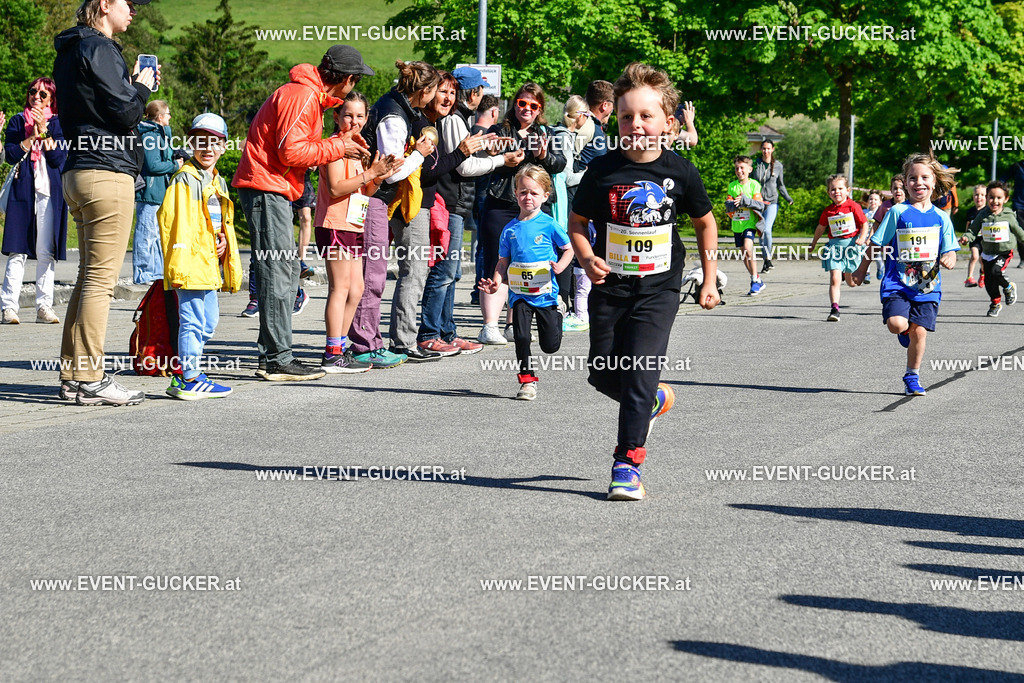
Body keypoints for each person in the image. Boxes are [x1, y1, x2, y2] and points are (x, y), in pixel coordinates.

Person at [569, 62, 720, 501]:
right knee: (602, 373)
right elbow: (577, 222)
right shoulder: (602, 171)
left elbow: (705, 224)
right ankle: (650, 401)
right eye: (626, 116)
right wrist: (586, 256)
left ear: (668, 123)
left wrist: (708, 279)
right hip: (611, 286)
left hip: (659, 288)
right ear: (615, 120)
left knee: (639, 372)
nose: (636, 124)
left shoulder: (682, 172)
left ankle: (627, 464)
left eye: (646, 116)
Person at [232, 45, 372, 381]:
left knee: (282, 270)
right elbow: (290, 151)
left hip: (272, 188)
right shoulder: (303, 96)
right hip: (266, 187)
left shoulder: (309, 96)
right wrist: (339, 145)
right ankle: (277, 359)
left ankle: (276, 356)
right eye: (355, 81)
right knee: (279, 272)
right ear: (348, 79)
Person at [53, 0, 159, 406]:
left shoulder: (69, 49)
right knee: (100, 283)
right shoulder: (99, 47)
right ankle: (91, 378)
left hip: (78, 170)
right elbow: (126, 111)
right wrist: (143, 87)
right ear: (102, 5)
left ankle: (73, 375)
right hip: (106, 172)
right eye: (128, 4)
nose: (133, 11)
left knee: (86, 281)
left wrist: (130, 84)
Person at [348, 60, 437, 366]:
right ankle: (364, 344)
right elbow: (392, 172)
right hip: (375, 197)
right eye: (434, 90)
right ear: (424, 91)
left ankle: (369, 340)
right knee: (371, 275)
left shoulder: (396, 106)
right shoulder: (394, 116)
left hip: (377, 198)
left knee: (373, 273)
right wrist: (419, 154)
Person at [852, 153, 958, 397]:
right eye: (912, 178)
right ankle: (903, 331)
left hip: (928, 286)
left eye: (924, 177)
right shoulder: (897, 212)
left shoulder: (942, 218)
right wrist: (861, 269)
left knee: (919, 331)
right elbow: (876, 244)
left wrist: (950, 257)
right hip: (897, 283)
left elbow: (950, 249)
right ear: (905, 182)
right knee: (896, 324)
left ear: (934, 182)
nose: (918, 182)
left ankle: (912, 376)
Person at [417, 68, 502, 357]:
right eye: (444, 91)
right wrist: (499, 160)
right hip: (449, 203)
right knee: (443, 273)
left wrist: (489, 154)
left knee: (450, 274)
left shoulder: (456, 118)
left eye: (452, 92)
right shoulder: (453, 120)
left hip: (454, 204)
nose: (449, 97)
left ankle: (446, 332)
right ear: (475, 93)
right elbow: (463, 166)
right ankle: (431, 333)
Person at [316, 93, 402, 372]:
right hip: (334, 224)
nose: (354, 121)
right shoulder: (333, 146)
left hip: (353, 223)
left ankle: (340, 349)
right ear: (337, 117)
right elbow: (335, 188)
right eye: (348, 115)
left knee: (358, 288)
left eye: (360, 116)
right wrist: (369, 173)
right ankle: (331, 353)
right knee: (340, 288)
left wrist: (379, 174)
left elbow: (364, 191)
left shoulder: (361, 147)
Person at [159, 113, 243, 399]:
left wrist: (222, 243)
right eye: (201, 141)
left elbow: (216, 224)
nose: (208, 148)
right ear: (192, 143)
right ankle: (188, 377)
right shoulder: (185, 179)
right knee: (193, 320)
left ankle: (186, 372)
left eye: (214, 142)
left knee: (208, 321)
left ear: (223, 146)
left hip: (208, 263)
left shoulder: (217, 181)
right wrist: (178, 269)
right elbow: (175, 225)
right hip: (190, 264)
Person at [477, 82, 566, 345]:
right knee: (498, 262)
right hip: (502, 204)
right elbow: (485, 159)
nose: (526, 109)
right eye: (522, 103)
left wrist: (544, 154)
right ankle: (489, 325)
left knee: (527, 263)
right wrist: (502, 157)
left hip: (536, 211)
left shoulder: (547, 133)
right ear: (514, 104)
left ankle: (514, 322)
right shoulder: (500, 131)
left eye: (533, 105)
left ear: (540, 109)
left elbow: (560, 164)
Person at [479, 165, 573, 400]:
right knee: (520, 337)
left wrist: (560, 266)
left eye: (533, 192)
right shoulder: (509, 229)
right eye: (522, 192)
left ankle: (559, 311)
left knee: (550, 346)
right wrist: (496, 283)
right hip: (520, 294)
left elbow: (568, 249)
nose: (527, 197)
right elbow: (503, 262)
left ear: (545, 195)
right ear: (515, 193)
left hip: (546, 294)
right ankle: (527, 381)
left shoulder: (549, 224)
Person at [1, 78, 68, 326]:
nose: (36, 97)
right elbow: (9, 154)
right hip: (23, 190)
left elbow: (59, 159)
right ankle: (9, 307)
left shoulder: (60, 123)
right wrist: (30, 138)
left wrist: (46, 130)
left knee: (45, 251)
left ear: (52, 98)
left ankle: (44, 306)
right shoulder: (19, 120)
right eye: (32, 92)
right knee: (18, 250)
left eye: (43, 93)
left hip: (50, 192)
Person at [959, 181, 1024, 317]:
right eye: (991, 197)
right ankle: (995, 303)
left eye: (999, 198)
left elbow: (1018, 232)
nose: (995, 201)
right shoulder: (983, 215)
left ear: (1005, 199)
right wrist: (966, 237)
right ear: (987, 198)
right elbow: (973, 230)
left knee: (995, 271)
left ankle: (1008, 287)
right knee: (989, 282)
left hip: (1004, 252)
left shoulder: (1008, 215)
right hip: (987, 252)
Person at [808, 174, 868, 322]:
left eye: (840, 188)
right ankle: (835, 309)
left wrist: (862, 238)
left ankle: (847, 274)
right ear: (829, 193)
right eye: (833, 189)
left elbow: (864, 224)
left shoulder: (853, 206)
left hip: (852, 247)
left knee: (852, 283)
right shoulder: (828, 211)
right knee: (834, 279)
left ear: (847, 190)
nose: (837, 192)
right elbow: (820, 228)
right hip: (835, 247)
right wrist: (813, 243)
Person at [132, 99, 179, 284]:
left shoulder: (160, 134)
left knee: (157, 235)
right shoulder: (150, 136)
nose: (170, 117)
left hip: (159, 192)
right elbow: (152, 165)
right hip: (149, 192)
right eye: (168, 114)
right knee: (146, 234)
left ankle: (157, 273)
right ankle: (144, 274)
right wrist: (175, 165)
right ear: (160, 117)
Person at [726, 156, 766, 295]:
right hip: (737, 225)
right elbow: (728, 206)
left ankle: (754, 280)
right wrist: (733, 204)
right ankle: (758, 279)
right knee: (744, 253)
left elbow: (760, 205)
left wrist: (744, 200)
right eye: (737, 168)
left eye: (742, 168)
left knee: (749, 249)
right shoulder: (732, 186)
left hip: (750, 223)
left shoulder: (754, 185)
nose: (739, 171)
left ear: (749, 169)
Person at [752, 139, 793, 272]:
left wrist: (788, 198)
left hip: (772, 202)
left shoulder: (778, 166)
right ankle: (766, 261)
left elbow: (781, 185)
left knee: (767, 230)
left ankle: (768, 257)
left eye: (768, 148)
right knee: (761, 232)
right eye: (764, 148)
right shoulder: (755, 164)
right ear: (761, 150)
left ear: (773, 149)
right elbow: (750, 182)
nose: (766, 151)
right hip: (758, 203)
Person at [963, 184, 986, 287]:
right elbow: (968, 225)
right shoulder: (970, 211)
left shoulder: (987, 211)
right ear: (973, 196)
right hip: (974, 239)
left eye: (982, 195)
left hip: (985, 239)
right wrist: (965, 237)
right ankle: (969, 278)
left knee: (983, 260)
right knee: (975, 256)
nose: (979, 197)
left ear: (986, 197)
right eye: (976, 194)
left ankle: (982, 274)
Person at [862, 190, 882, 284]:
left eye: (875, 199)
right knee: (866, 255)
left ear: (880, 202)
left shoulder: (881, 213)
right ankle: (867, 274)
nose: (873, 201)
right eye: (871, 199)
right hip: (865, 239)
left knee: (877, 257)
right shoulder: (864, 212)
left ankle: (880, 267)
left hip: (877, 239)